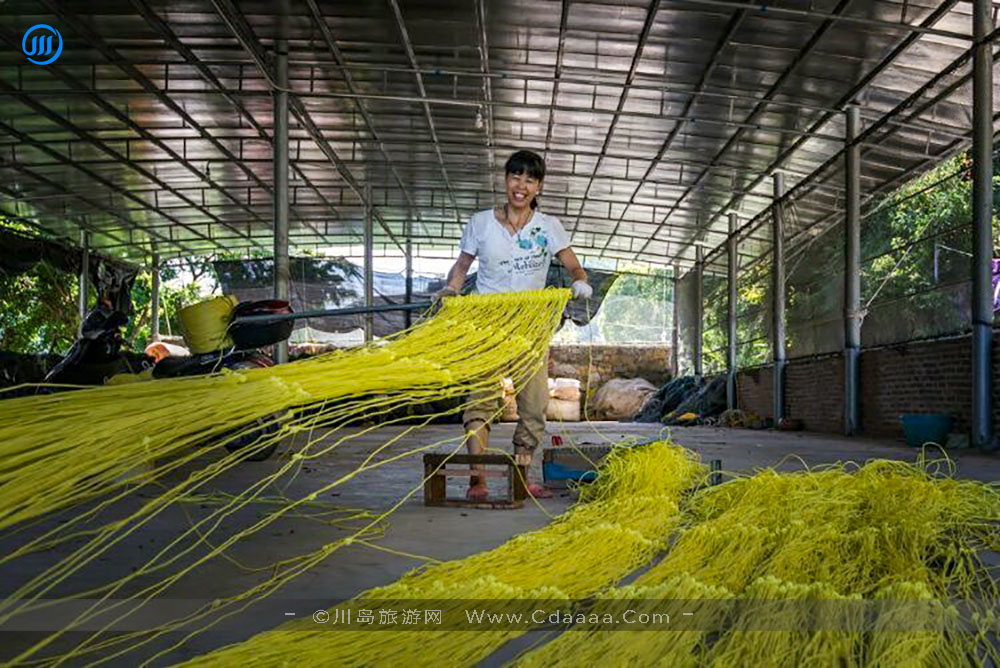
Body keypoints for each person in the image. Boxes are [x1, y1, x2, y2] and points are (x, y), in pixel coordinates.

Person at [437, 150, 592, 500]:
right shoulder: (480, 223)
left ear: (538, 187)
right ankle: (478, 480)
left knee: (534, 407)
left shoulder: (548, 227)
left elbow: (573, 266)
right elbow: (461, 268)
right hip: (487, 324)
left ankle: (521, 476)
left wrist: (580, 282)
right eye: (515, 177)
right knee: (480, 401)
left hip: (530, 326)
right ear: (505, 180)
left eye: (529, 180)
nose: (520, 186)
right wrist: (452, 289)